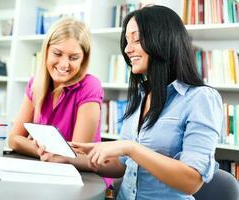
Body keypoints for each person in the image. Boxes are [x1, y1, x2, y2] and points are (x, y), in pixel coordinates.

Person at [39, 5, 223, 200]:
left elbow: (191, 182)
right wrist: (67, 158)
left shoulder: (200, 98)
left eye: (136, 39)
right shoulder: (140, 95)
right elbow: (121, 166)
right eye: (127, 41)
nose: (127, 49)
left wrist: (131, 148)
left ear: (163, 39)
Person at [8, 17, 103, 158]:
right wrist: (44, 152)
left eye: (74, 58)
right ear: (46, 51)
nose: (64, 64)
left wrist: (39, 148)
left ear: (83, 59)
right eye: (57, 54)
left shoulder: (90, 86)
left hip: (85, 177)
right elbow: (14, 139)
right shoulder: (35, 83)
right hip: (48, 167)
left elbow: (77, 154)